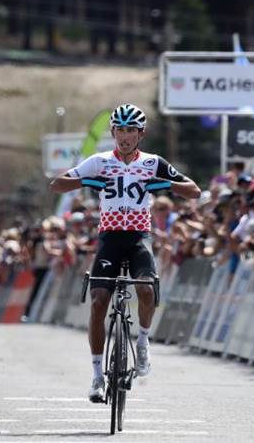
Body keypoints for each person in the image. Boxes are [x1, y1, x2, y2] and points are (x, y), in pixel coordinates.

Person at [49, 103, 200, 402]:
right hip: (109, 240)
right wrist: (87, 180)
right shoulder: (99, 161)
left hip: (138, 239)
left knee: (146, 289)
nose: (125, 136)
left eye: (131, 130)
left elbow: (193, 190)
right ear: (112, 131)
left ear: (141, 134)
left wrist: (165, 184)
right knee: (98, 301)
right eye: (120, 129)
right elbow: (57, 185)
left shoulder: (153, 162)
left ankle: (142, 342)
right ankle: (95, 376)